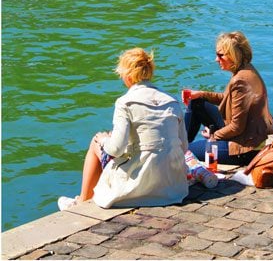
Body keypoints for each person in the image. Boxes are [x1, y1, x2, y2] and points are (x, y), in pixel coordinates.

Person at [58, 48, 188, 210]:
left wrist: (104, 140)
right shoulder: (172, 101)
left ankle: (81, 202)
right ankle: (83, 200)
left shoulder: (125, 102)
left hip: (137, 186)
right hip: (172, 188)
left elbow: (116, 149)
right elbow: (183, 147)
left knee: (96, 142)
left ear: (127, 75)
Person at [184, 31, 273, 166]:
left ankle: (179, 148)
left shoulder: (240, 80)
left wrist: (214, 136)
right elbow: (228, 99)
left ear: (234, 56)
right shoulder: (245, 69)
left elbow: (237, 127)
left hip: (243, 149)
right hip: (246, 135)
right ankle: (181, 142)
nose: (216, 59)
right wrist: (201, 94)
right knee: (196, 102)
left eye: (220, 55)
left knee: (186, 151)